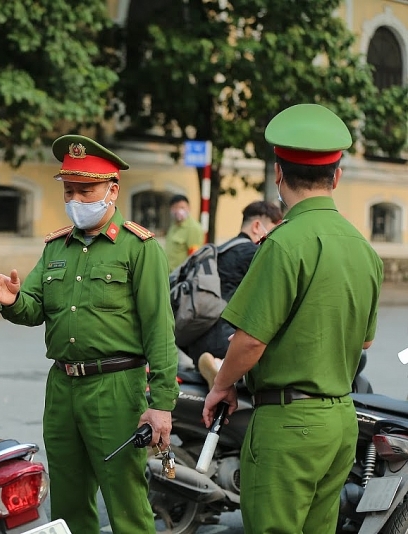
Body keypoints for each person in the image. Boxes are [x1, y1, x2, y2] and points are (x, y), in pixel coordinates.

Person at [0, 135, 179, 533]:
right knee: (68, 501)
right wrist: (13, 300)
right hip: (63, 387)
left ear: (112, 190)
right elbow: (33, 308)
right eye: (69, 191)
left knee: (125, 503)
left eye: (85, 190)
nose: (76, 199)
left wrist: (161, 404)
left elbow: (160, 329)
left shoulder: (138, 248)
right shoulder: (57, 247)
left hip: (116, 388)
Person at [202, 104, 384, 534]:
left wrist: (222, 385)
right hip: (340, 420)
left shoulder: (282, 244)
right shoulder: (363, 249)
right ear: (336, 177)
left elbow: (249, 342)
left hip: (287, 426)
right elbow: (365, 343)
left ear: (278, 174)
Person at [192, 200, 283, 388]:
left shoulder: (222, 250)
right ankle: (220, 365)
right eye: (275, 230)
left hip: (198, 338)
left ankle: (218, 365)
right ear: (258, 226)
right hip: (226, 341)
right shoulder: (254, 253)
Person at [164, 194, 204, 271]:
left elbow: (194, 257)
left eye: (182, 207)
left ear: (189, 208)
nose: (178, 211)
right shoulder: (173, 226)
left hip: (180, 276)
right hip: (169, 274)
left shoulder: (193, 228)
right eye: (175, 207)